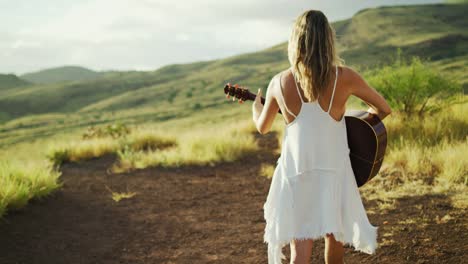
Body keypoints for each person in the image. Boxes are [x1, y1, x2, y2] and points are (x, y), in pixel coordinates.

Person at [251, 10, 392, 264]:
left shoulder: (278, 83)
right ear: (328, 39)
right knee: (333, 236)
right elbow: (384, 109)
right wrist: (357, 122)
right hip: (333, 170)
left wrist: (256, 109)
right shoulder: (345, 77)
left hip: (297, 172)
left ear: (296, 41)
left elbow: (263, 127)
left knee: (299, 251)